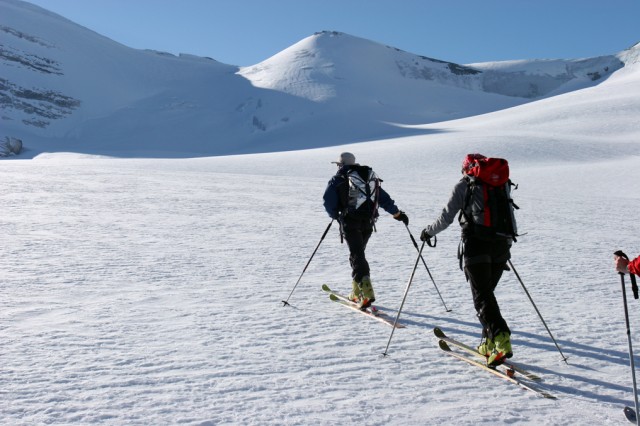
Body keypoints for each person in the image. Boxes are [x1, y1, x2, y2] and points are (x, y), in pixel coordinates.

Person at [420, 153, 517, 366]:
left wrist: (428, 232)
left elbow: (446, 217)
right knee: (487, 295)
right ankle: (489, 343)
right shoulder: (501, 184)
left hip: (476, 244)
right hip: (501, 246)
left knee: (481, 297)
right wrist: (506, 246)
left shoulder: (464, 185)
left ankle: (501, 338)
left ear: (467, 168)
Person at [323, 152, 408, 309]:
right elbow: (382, 198)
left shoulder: (339, 179)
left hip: (350, 222)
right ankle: (356, 292)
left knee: (357, 255)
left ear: (340, 165)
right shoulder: (368, 178)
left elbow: (328, 201)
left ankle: (367, 290)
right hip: (368, 222)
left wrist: (335, 215)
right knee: (358, 254)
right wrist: (397, 214)